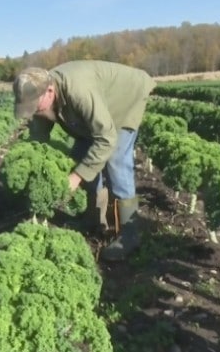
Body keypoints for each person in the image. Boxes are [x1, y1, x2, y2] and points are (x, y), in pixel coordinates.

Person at [13, 60, 156, 261]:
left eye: (35, 106)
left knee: (116, 161)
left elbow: (106, 139)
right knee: (80, 155)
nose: (34, 111)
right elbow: (38, 137)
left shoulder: (79, 91)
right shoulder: (39, 95)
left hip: (124, 99)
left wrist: (76, 177)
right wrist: (32, 164)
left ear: (50, 91)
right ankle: (94, 218)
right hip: (94, 112)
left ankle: (129, 234)